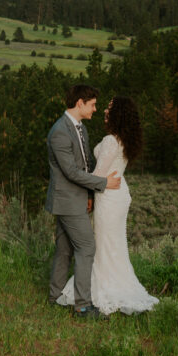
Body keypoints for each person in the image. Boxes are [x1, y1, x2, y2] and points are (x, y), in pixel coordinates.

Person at [57, 96, 159, 316]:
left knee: (104, 245)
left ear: (118, 114)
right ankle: (118, 284)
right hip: (118, 194)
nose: (104, 110)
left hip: (108, 196)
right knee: (114, 245)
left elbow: (99, 175)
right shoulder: (124, 139)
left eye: (109, 108)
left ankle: (104, 289)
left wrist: (80, 186)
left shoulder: (112, 141)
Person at [46, 83, 121, 319]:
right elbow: (71, 172)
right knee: (87, 246)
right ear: (80, 103)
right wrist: (102, 185)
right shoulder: (59, 131)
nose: (95, 109)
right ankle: (82, 306)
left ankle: (55, 296)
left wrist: (89, 196)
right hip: (67, 200)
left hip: (77, 199)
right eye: (93, 104)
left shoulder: (81, 129)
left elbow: (86, 164)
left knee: (65, 249)